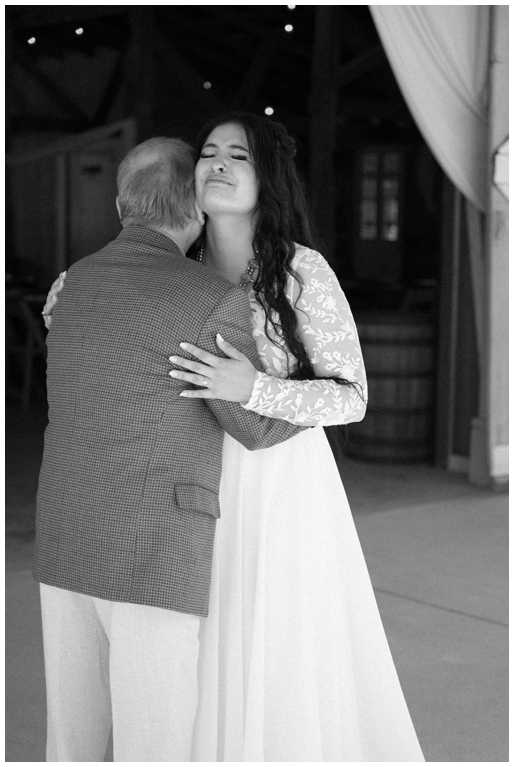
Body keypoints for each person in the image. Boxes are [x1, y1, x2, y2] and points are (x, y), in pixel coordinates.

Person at [34, 137, 305, 761]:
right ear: (195, 204)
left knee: (71, 738)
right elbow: (254, 427)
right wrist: (317, 393)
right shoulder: (208, 297)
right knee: (154, 740)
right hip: (152, 544)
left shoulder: (72, 284)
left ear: (123, 202)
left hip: (63, 530)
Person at [167, 112, 423, 761]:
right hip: (186, 479)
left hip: (280, 483)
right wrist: (66, 294)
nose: (217, 164)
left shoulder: (301, 272)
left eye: (238, 156)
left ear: (268, 178)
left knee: (273, 636)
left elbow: (353, 396)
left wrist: (253, 387)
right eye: (208, 152)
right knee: (193, 639)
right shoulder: (171, 266)